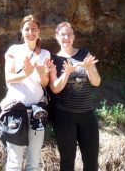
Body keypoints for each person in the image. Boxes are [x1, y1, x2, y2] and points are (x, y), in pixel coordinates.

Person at [47, 21, 101, 171]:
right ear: (57, 37)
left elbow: (96, 82)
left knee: (91, 163)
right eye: (63, 34)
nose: (66, 37)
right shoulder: (54, 59)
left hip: (87, 116)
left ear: (74, 36)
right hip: (64, 117)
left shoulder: (85, 53)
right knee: (67, 163)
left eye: (69, 34)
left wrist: (89, 68)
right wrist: (67, 72)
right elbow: (55, 88)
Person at [0, 14, 51, 171]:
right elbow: (9, 78)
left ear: (39, 31)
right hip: (16, 111)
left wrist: (42, 74)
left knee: (34, 162)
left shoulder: (45, 54)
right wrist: (27, 73)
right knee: (14, 162)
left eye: (33, 29)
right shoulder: (13, 50)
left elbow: (44, 83)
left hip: (37, 112)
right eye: (27, 29)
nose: (30, 32)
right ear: (22, 31)